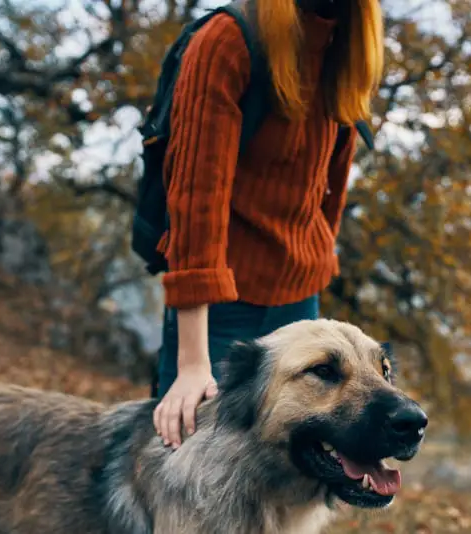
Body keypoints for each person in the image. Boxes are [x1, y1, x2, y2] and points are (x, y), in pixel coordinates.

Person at [152, 0, 384, 449]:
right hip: (220, 307)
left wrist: (313, 267)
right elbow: (197, 201)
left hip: (300, 303)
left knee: (294, 476)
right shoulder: (228, 41)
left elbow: (326, 189)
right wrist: (193, 363)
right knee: (187, 470)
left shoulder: (345, 44)